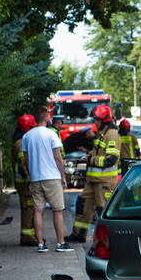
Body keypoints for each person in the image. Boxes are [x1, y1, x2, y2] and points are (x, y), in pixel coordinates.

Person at [21, 107, 73, 253]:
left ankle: (40, 244)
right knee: (57, 211)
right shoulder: (51, 134)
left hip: (36, 178)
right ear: (46, 119)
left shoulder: (27, 136)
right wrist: (63, 177)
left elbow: (26, 159)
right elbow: (58, 157)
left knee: (38, 211)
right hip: (52, 177)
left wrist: (32, 175)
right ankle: (60, 243)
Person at [67, 105, 120, 243]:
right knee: (82, 204)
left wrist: (91, 159)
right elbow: (97, 152)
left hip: (105, 182)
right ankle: (78, 235)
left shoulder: (112, 135)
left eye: (97, 120)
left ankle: (107, 243)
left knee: (103, 211)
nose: (95, 123)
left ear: (105, 120)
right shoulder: (100, 134)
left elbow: (111, 160)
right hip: (93, 180)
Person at [13, 114, 37, 246]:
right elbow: (22, 165)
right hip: (24, 183)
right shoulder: (20, 142)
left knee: (30, 208)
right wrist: (30, 180)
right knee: (28, 209)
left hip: (24, 183)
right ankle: (27, 238)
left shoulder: (21, 140)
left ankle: (31, 235)